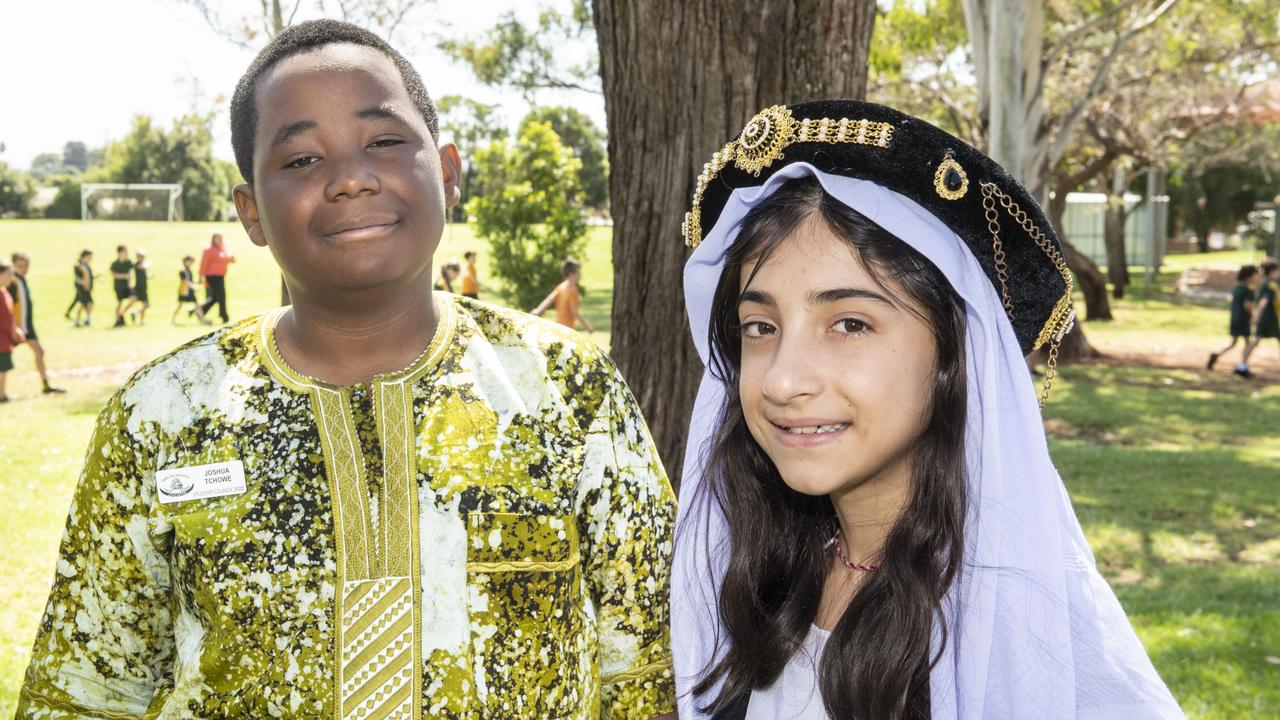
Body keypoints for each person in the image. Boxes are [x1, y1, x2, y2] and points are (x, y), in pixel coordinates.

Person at [17, 20, 676, 720]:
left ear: (447, 172)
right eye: (300, 160)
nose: (351, 178)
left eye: (385, 142)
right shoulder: (159, 416)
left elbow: (650, 672)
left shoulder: (566, 386)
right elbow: (87, 694)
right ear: (251, 213)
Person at [670, 101, 1183, 720]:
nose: (782, 379)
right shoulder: (765, 573)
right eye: (759, 326)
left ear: (952, 357)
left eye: (850, 323)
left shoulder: (1019, 622)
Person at [7, 253, 65, 394]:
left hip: (27, 326)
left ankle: (45, 385)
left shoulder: (22, 280)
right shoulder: (12, 283)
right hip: (16, 327)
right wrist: (14, 326)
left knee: (40, 351)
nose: (24, 269)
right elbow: (8, 306)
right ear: (13, 266)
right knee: (4, 358)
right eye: (20, 266)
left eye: (26, 266)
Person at [1207, 264, 1261, 378]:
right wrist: (1254, 316)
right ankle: (1243, 366)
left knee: (1234, 343)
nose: (1258, 277)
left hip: (1235, 319)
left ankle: (1216, 354)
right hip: (1243, 320)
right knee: (1248, 343)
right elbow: (1247, 306)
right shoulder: (1248, 290)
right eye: (1256, 275)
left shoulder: (1236, 287)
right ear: (1248, 277)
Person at [532, 258, 594, 332]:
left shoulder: (561, 286)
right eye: (578, 272)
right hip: (567, 329)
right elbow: (575, 312)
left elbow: (549, 299)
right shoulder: (572, 290)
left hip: (558, 326)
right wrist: (587, 327)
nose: (580, 275)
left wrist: (538, 310)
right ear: (571, 274)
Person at [1241, 259, 1280, 371]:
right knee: (1255, 340)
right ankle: (1242, 364)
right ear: (1272, 271)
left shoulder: (1268, 284)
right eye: (1277, 270)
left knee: (1255, 340)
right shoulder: (1269, 286)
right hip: (1269, 319)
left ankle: (1242, 364)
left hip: (1270, 318)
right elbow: (1263, 302)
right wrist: (1256, 315)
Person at [0, 262, 25, 403]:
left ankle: (2, 393)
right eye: (8, 274)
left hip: (5, 340)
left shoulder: (5, 292)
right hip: (1, 341)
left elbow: (9, 315)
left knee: (3, 369)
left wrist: (15, 329)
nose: (11, 277)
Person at [199, 232, 236, 323]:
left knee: (216, 297)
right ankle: (224, 316)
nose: (219, 240)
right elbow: (203, 264)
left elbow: (232, 260)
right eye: (217, 238)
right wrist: (200, 276)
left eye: (221, 238)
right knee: (222, 296)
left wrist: (228, 249)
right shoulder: (208, 249)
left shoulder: (223, 249)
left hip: (220, 276)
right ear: (213, 239)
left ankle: (200, 310)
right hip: (212, 276)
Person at [172, 254, 210, 325]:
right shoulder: (182, 271)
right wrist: (194, 287)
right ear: (185, 261)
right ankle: (172, 319)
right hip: (184, 291)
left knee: (197, 305)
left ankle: (202, 319)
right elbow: (186, 281)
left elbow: (190, 280)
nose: (191, 263)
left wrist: (197, 282)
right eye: (190, 261)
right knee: (180, 305)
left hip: (190, 291)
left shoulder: (189, 270)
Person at [66, 249, 94, 327]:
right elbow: (77, 279)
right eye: (90, 256)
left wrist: (94, 277)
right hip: (82, 289)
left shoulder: (85, 265)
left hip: (86, 288)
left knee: (87, 303)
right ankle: (79, 320)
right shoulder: (79, 265)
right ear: (86, 256)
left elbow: (88, 276)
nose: (91, 258)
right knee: (84, 304)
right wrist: (84, 283)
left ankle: (86, 319)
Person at [109, 244, 134, 328]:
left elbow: (130, 274)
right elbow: (114, 275)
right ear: (120, 252)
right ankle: (118, 319)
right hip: (118, 286)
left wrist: (129, 282)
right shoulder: (115, 264)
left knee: (133, 298)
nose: (127, 253)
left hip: (127, 285)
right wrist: (124, 276)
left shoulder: (128, 262)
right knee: (120, 302)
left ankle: (121, 313)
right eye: (125, 251)